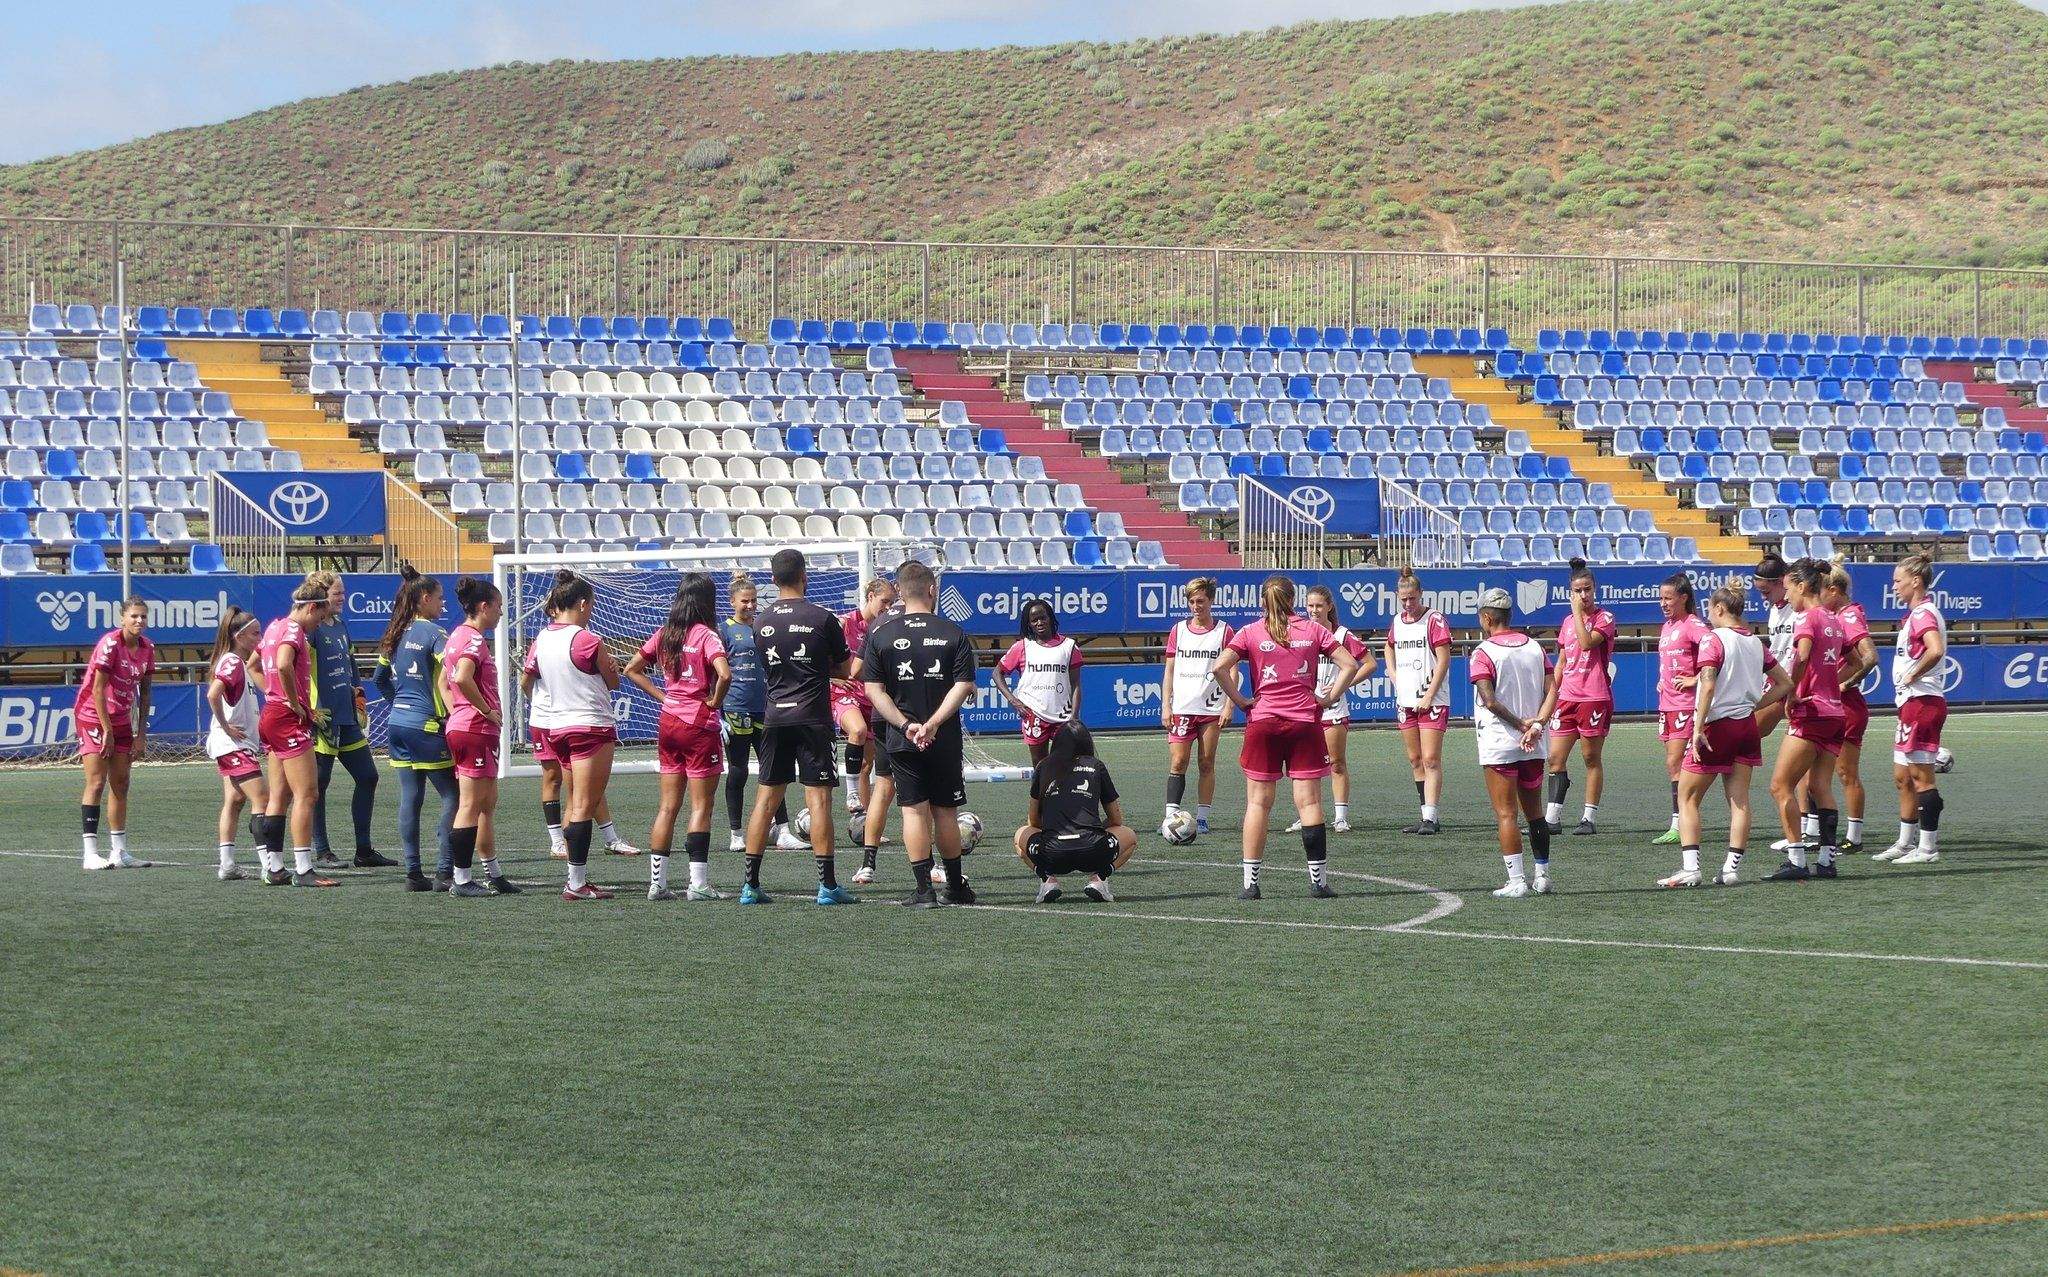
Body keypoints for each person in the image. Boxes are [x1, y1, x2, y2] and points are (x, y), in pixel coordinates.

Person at [1211, 575, 1357, 901]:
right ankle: (1318, 882)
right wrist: (1329, 696)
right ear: (1294, 600)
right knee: (1310, 802)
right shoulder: (1314, 630)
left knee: (1257, 803)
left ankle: (1251, 884)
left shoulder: (1250, 632)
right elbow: (1349, 663)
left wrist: (1240, 701)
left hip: (1263, 721)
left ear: (1263, 601)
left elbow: (1220, 668)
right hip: (1305, 722)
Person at [859, 560, 980, 908]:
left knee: (912, 811)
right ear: (932, 590)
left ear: (899, 591)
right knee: (945, 811)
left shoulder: (881, 634)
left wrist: (905, 724)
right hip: (942, 737)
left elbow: (873, 691)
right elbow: (963, 686)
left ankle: (923, 890)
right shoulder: (953, 632)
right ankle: (955, 885)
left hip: (901, 738)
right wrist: (935, 723)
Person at [743, 548, 856, 905]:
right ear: (804, 576)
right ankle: (827, 886)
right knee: (819, 800)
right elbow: (845, 667)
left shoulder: (760, 622)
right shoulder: (822, 618)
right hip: (812, 718)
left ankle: (750, 886)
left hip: (776, 717)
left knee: (765, 800)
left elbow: (775, 667)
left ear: (772, 581)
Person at [1665, 586, 1790, 888]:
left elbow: (1707, 685)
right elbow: (1785, 683)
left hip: (1718, 726)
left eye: (1709, 609)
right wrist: (1754, 704)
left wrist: (1696, 729)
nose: (1708, 615)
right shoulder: (1754, 642)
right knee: (1739, 800)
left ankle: (1691, 868)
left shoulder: (1713, 639)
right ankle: (1731, 869)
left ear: (1720, 609)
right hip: (1746, 726)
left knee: (1688, 796)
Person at [625, 572, 731, 901]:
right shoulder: (707, 635)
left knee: (667, 806)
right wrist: (714, 701)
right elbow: (724, 674)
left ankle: (657, 884)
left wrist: (665, 697)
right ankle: (698, 884)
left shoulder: (665, 633)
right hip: (698, 725)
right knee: (701, 805)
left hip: (668, 722)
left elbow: (631, 668)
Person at [523, 571, 623, 901]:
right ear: (581, 603)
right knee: (583, 804)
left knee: (576, 801)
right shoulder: (587, 640)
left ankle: (575, 878)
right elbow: (613, 681)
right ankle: (577, 883)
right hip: (589, 725)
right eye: (591, 604)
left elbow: (530, 678)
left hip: (558, 726)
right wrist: (613, 666)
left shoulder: (541, 639)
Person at [373, 566, 467, 893]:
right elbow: (454, 675)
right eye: (440, 598)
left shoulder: (394, 633)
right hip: (427, 725)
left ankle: (414, 873)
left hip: (397, 724)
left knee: (411, 798)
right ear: (425, 598)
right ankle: (444, 871)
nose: (444, 604)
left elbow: (378, 680)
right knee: (453, 796)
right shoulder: (436, 635)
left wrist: (399, 702)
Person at [1470, 588, 1558, 898]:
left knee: (1507, 814)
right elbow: (1553, 691)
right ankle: (1543, 875)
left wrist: (1521, 724)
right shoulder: (1535, 647)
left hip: (1500, 742)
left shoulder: (1483, 652)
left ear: (1487, 617)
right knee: (1535, 812)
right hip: (1534, 743)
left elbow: (1489, 701)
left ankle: (1517, 880)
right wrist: (1538, 724)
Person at [1765, 560, 1848, 881]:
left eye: (1788, 588)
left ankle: (1797, 859)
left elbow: (1801, 656)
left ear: (1801, 586)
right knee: (1820, 785)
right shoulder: (1834, 618)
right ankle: (1827, 861)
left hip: (1810, 712)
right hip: (1834, 712)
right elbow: (1852, 659)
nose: (1787, 594)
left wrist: (1791, 691)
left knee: (1779, 785)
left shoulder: (1807, 618)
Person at [306, 571, 392, 871]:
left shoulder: (341, 626)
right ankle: (322, 851)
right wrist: (308, 708)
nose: (342, 598)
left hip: (347, 717)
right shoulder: (311, 631)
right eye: (336, 593)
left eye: (343, 592)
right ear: (321, 595)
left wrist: (359, 693)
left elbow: (351, 663)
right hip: (324, 718)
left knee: (368, 776)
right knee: (318, 785)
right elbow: (296, 670)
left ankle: (364, 850)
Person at [442, 576, 517, 898]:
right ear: (484, 607)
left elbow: (445, 683)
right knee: (472, 804)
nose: (501, 613)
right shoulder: (472, 640)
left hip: (468, 727)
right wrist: (484, 710)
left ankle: (493, 873)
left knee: (486, 804)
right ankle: (461, 878)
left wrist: (456, 712)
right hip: (474, 729)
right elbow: (461, 677)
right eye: (498, 607)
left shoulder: (455, 636)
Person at [257, 581, 336, 887]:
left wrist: (273, 694)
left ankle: (275, 868)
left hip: (272, 716)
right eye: (319, 617)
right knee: (308, 794)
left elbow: (255, 664)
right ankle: (303, 869)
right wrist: (292, 701)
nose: (318, 624)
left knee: (280, 795)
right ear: (312, 607)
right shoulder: (293, 631)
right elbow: (283, 664)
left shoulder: (273, 628)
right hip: (287, 718)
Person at [1877, 555, 1949, 866]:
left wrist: (1912, 675)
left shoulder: (1923, 614)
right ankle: (1906, 841)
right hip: (1910, 703)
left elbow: (1935, 649)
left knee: (1921, 778)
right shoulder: (1915, 615)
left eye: (1897, 580)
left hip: (1922, 701)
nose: (1894, 586)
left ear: (1915, 581)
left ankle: (1928, 848)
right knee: (1902, 776)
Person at [1016, 721, 1137, 905]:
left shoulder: (1043, 766)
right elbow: (1116, 819)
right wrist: (1095, 829)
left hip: (1052, 854)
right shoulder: (1096, 766)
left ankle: (1047, 881)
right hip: (1094, 851)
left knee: (1020, 835)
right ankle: (1099, 880)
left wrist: (1052, 829)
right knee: (1129, 835)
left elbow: (1033, 821)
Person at [75, 596, 155, 871]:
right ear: (122, 618)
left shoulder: (147, 648)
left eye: (143, 616)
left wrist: (141, 733)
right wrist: (106, 729)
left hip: (121, 721)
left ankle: (119, 853)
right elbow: (98, 689)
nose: (139, 621)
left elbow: (145, 693)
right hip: (93, 718)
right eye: (134, 616)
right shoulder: (110, 644)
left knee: (121, 784)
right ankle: (90, 854)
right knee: (96, 782)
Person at [721, 575, 798, 854]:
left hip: (765, 709)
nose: (751, 605)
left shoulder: (763, 628)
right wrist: (717, 712)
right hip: (735, 709)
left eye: (754, 600)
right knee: (739, 771)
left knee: (774, 769)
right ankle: (736, 832)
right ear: (732, 602)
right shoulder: (724, 631)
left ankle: (784, 830)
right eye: (745, 601)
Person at [1290, 584, 1375, 833]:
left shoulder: (1342, 635)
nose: (1314, 611)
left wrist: (1342, 685)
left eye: (1319, 606)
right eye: (1310, 606)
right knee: (1304, 765)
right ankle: (1307, 814)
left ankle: (1340, 816)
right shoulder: (1300, 633)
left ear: (1329, 607)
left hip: (1334, 708)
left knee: (1336, 762)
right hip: (1303, 707)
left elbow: (1369, 664)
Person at [1543, 559, 1617, 836]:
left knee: (1590, 758)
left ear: (1595, 589)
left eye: (1587, 589)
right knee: (1555, 758)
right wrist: (1552, 693)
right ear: (1570, 592)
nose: (1583, 595)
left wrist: (1577, 614)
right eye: (1578, 591)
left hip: (1594, 697)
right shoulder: (1566, 623)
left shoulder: (1604, 618)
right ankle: (1552, 818)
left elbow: (1587, 643)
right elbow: (1561, 661)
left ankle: (1588, 817)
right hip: (1568, 698)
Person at [1160, 576, 1232, 837]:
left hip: (1211, 709)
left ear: (1211, 600)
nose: (1196, 606)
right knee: (1178, 762)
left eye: (1200, 601)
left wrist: (1228, 705)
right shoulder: (1178, 630)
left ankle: (1202, 818)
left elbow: (1232, 669)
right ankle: (1170, 817)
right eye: (1191, 601)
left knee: (1206, 762)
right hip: (1181, 707)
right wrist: (1166, 705)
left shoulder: (1224, 631)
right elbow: (1169, 670)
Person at [1384, 567, 1452, 836]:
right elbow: (1388, 646)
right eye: (1403, 599)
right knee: (1415, 759)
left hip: (1432, 701)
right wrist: (1393, 673)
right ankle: (1424, 814)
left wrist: (1429, 694)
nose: (1408, 604)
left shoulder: (1434, 620)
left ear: (1420, 594)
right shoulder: (1397, 621)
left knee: (1431, 758)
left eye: (1412, 598)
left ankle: (1432, 817)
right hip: (1406, 701)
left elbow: (1444, 659)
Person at [1817, 563, 1878, 855]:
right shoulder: (1836, 615)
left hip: (1848, 706)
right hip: (1834, 706)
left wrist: (1846, 683)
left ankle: (1854, 837)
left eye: (1821, 590)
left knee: (1846, 772)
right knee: (1823, 771)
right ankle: (1821, 831)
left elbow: (1870, 657)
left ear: (1834, 590)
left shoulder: (1849, 615)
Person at [204, 607, 265, 882]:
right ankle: (270, 863)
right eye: (255, 634)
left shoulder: (240, 663)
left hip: (236, 744)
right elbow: (213, 694)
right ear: (239, 636)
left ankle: (227, 864)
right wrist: (226, 727)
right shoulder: (231, 662)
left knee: (235, 799)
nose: (259, 638)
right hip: (232, 746)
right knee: (262, 798)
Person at [834, 576, 897, 831]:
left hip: (872, 695)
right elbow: (821, 657)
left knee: (867, 764)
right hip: (845, 693)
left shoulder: (887, 626)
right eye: (884, 601)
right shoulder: (844, 623)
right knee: (857, 730)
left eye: (892, 603)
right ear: (870, 597)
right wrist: (831, 679)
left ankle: (867, 823)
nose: (888, 607)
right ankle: (851, 794)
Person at [1652, 573, 1710, 846]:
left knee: (1676, 764)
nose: (1663, 603)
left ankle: (1679, 822)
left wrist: (1695, 679)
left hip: (1686, 706)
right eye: (1661, 598)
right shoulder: (1668, 626)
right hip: (1668, 705)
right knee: (1673, 764)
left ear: (1684, 598)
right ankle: (1681, 818)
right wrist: (1662, 682)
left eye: (1668, 598)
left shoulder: (1693, 625)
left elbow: (1716, 656)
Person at [998, 598, 1082, 766]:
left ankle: (1062, 793)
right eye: (1034, 620)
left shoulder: (1070, 646)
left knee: (1065, 763)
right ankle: (1038, 793)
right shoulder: (1022, 646)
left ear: (1050, 617)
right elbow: (997, 674)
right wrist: (1013, 701)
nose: (1039, 622)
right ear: (1028, 624)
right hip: (1033, 715)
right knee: (1040, 765)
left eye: (1043, 617)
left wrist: (1074, 716)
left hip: (1063, 716)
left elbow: (1076, 685)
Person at [1752, 553, 1798, 736]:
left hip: (1790, 679)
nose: (1763, 598)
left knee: (1751, 732)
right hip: (1774, 677)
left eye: (1766, 592)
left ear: (1782, 582)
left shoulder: (1799, 607)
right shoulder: (1774, 610)